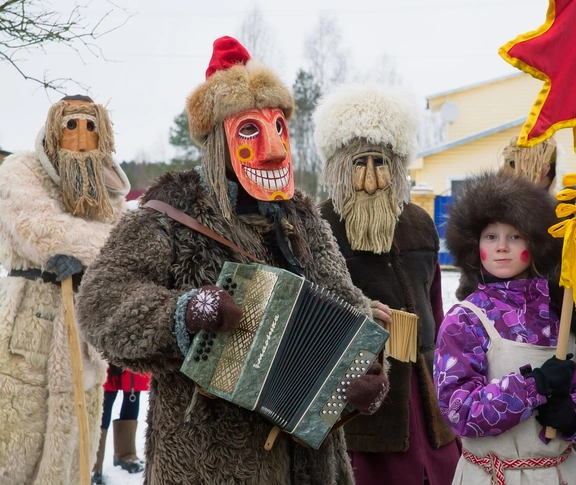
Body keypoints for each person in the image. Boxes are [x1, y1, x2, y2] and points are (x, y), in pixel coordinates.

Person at [75, 36, 388, 485]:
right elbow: (101, 305)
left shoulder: (302, 217)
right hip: (209, 462)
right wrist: (184, 313)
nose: (275, 149)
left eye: (279, 127)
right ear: (217, 137)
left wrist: (365, 374)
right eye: (250, 130)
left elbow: (346, 303)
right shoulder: (170, 212)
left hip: (311, 465)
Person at [435, 171, 576, 484]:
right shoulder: (465, 320)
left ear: (535, 243)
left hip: (557, 475)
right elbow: (459, 412)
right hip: (489, 476)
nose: (502, 246)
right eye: (491, 237)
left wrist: (574, 416)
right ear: (475, 245)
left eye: (515, 237)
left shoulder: (565, 311)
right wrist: (534, 385)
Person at [315, 84, 460, 485]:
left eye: (381, 162)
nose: (372, 177)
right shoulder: (320, 226)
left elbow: (437, 308)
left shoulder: (419, 222)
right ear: (341, 166)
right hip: (357, 397)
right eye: (359, 163)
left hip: (426, 392)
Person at [0, 95, 130, 484]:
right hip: (28, 330)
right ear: (55, 128)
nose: (80, 136)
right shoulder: (20, 170)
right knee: (14, 447)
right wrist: (99, 247)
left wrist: (86, 254)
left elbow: (124, 244)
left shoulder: (107, 190)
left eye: (90, 127)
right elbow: (39, 229)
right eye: (70, 126)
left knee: (72, 454)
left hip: (82, 333)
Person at [456, 136, 576, 301]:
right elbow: (470, 265)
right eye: (509, 163)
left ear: (545, 169)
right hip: (492, 315)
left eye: (516, 164)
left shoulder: (571, 209)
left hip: (555, 320)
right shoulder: (489, 206)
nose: (510, 171)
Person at [92, 365, 150, 484]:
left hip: (132, 352)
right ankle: (94, 464)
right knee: (105, 399)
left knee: (132, 393)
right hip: (106, 354)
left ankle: (126, 454)